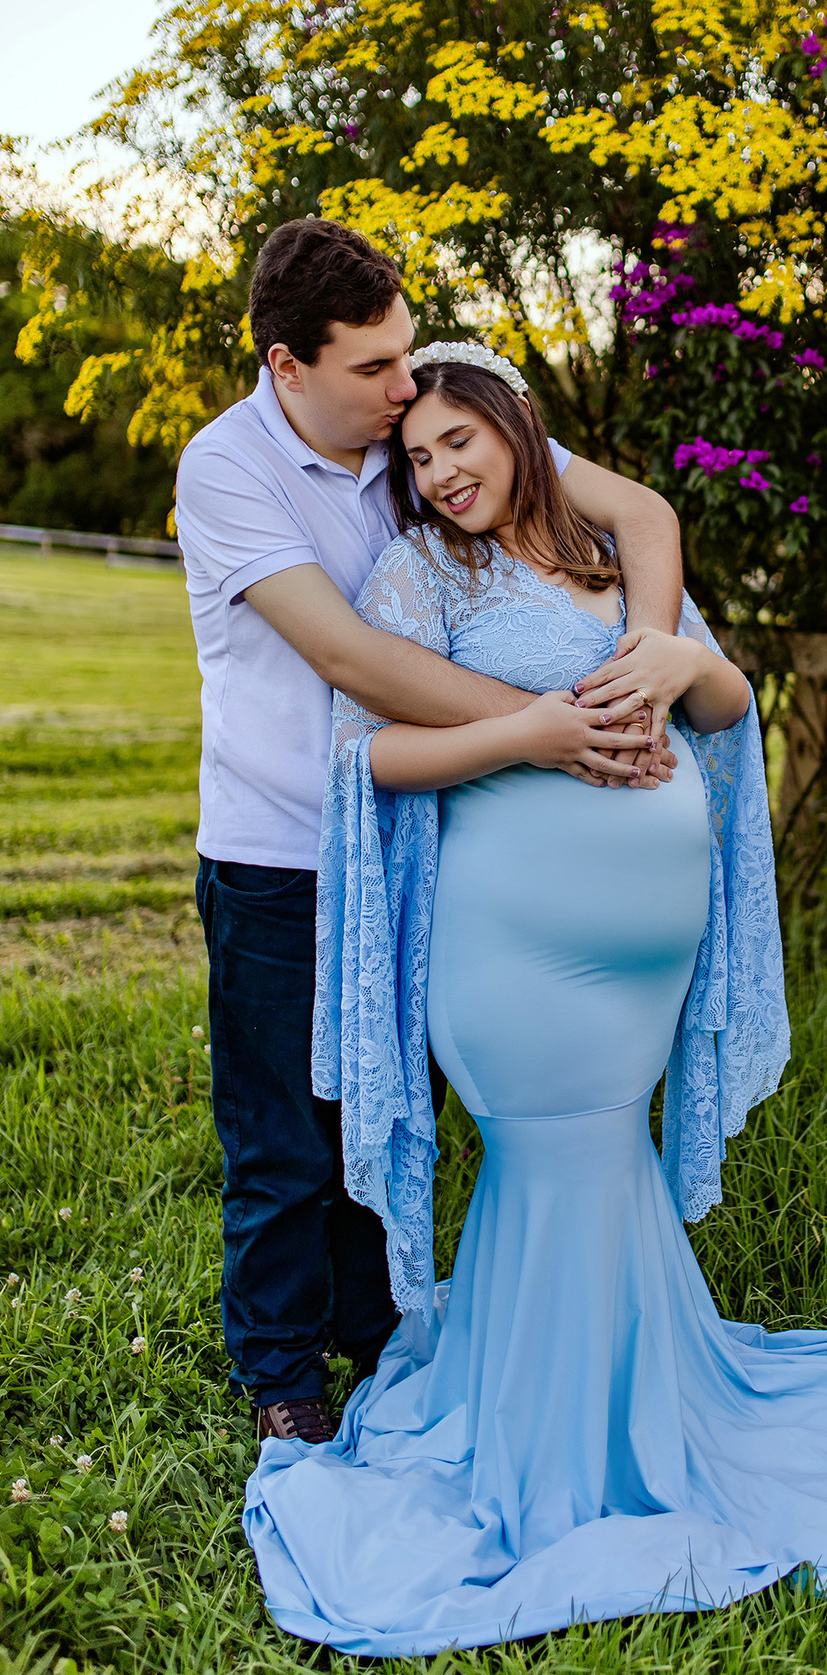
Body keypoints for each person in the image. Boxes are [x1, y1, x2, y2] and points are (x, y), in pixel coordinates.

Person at [243, 345, 827, 1655]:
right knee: (552, 1161)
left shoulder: (616, 568)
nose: (440, 474)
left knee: (608, 1164)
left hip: (640, 972)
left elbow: (728, 702)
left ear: (518, 427)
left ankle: (631, 1412)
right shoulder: (420, 575)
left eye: (459, 441)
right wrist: (526, 735)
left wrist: (679, 666)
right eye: (418, 458)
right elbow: (373, 753)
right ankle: (552, 1460)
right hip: (511, 959)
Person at [174, 220, 687, 1445]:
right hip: (285, 848)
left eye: (406, 353)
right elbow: (354, 659)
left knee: (392, 1104)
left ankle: (378, 1331)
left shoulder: (424, 433)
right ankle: (283, 1374)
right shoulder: (227, 466)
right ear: (289, 366)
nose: (404, 384)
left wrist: (649, 668)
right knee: (285, 1135)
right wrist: (556, 725)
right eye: (373, 367)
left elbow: (639, 516)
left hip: (424, 846)